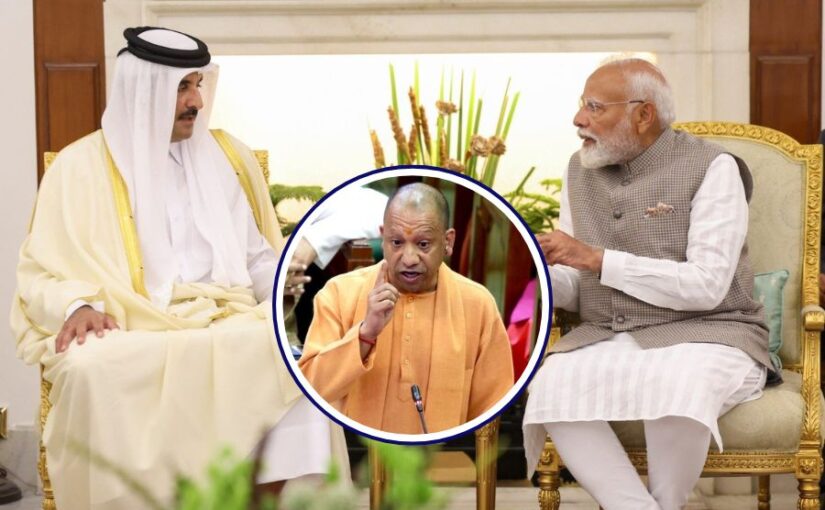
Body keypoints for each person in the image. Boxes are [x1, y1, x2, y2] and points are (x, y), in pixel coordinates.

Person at [11, 26, 345, 509]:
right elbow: (41, 268)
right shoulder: (78, 166)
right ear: (144, 91)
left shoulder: (226, 157)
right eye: (182, 88)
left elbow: (255, 256)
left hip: (225, 316)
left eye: (198, 85)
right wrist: (77, 306)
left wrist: (281, 286)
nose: (196, 101)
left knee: (296, 360)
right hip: (130, 324)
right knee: (89, 367)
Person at [522, 58, 773, 510]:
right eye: (582, 105)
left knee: (678, 384)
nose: (578, 119)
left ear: (643, 115)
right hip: (610, 334)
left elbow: (707, 286)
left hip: (712, 333)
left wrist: (597, 259)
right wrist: (533, 279)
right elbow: (578, 282)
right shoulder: (579, 170)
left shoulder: (713, 168)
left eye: (595, 107)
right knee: (552, 383)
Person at [299, 182, 514, 434]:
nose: (409, 259)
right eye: (397, 242)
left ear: (448, 242)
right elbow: (310, 390)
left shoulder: (478, 304)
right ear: (383, 237)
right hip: (353, 454)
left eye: (423, 244)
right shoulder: (339, 293)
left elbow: (492, 408)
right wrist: (365, 334)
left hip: (442, 455)